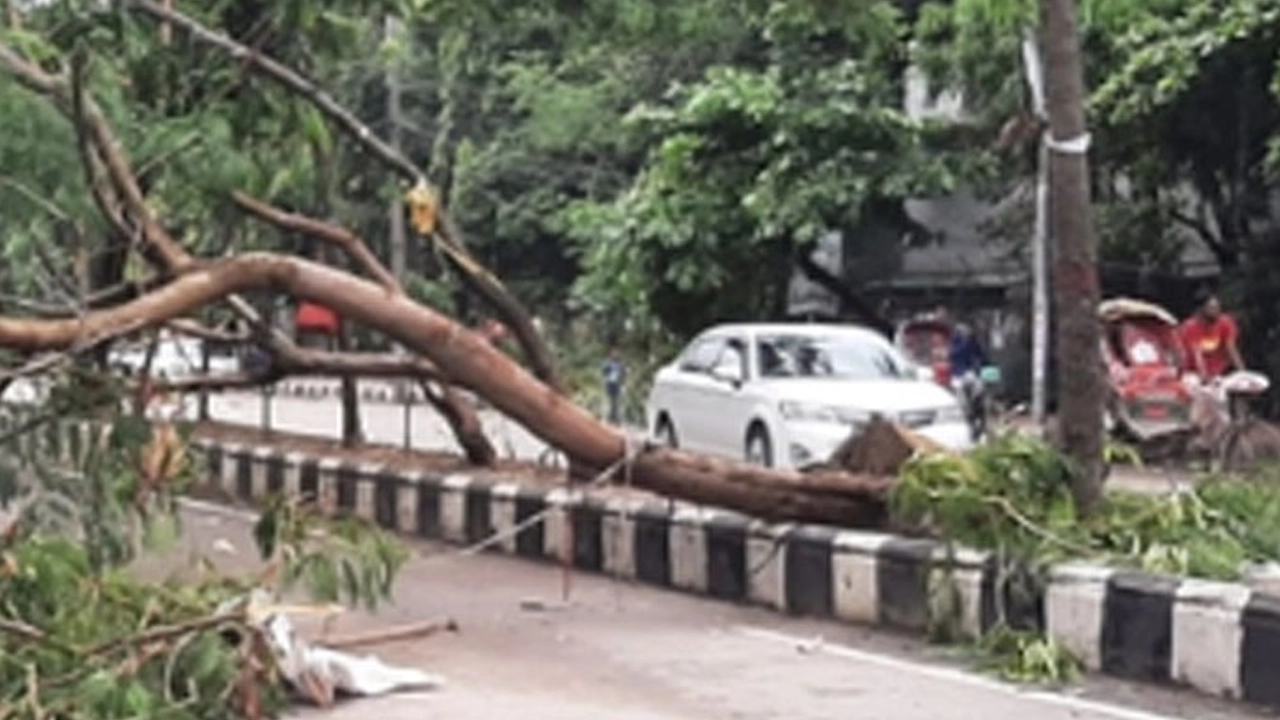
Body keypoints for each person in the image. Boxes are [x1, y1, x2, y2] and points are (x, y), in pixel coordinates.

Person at [1179, 291, 1245, 381]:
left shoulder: (1226, 322)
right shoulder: (1190, 327)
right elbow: (1197, 354)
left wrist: (1243, 373)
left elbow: (1231, 349)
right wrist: (1204, 377)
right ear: (1201, 309)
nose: (1216, 311)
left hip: (1217, 372)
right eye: (1211, 308)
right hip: (1192, 373)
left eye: (1218, 307)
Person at [602, 346, 627, 424]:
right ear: (611, 355)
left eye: (617, 354)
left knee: (617, 402)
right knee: (609, 400)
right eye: (614, 354)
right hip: (609, 383)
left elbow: (624, 374)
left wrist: (623, 384)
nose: (615, 355)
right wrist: (605, 379)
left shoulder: (621, 364)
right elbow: (603, 372)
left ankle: (616, 419)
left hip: (617, 384)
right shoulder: (608, 363)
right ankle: (607, 417)